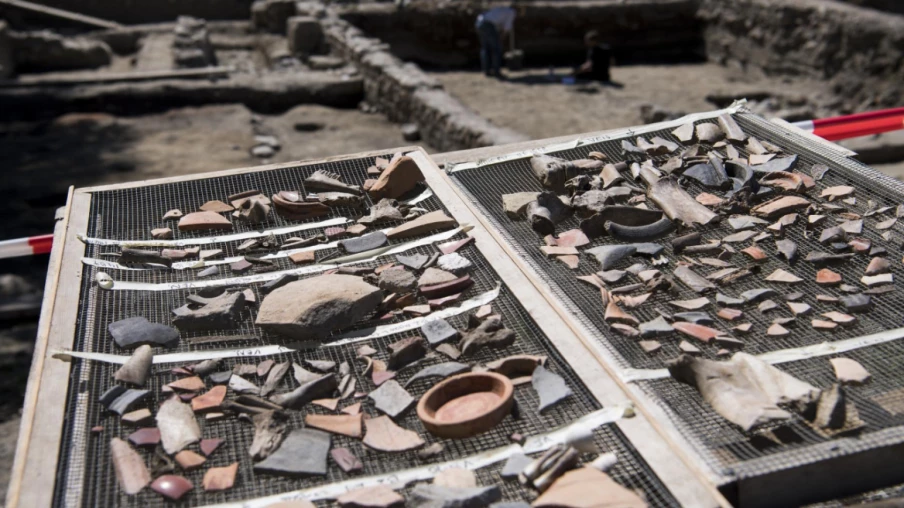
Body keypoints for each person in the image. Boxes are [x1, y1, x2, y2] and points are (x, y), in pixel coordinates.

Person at [475, 4, 516, 78]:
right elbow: (506, 29)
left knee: (486, 48)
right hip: (488, 25)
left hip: (479, 23)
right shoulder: (511, 12)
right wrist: (501, 38)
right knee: (496, 49)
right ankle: (496, 71)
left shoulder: (502, 9)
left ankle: (486, 71)